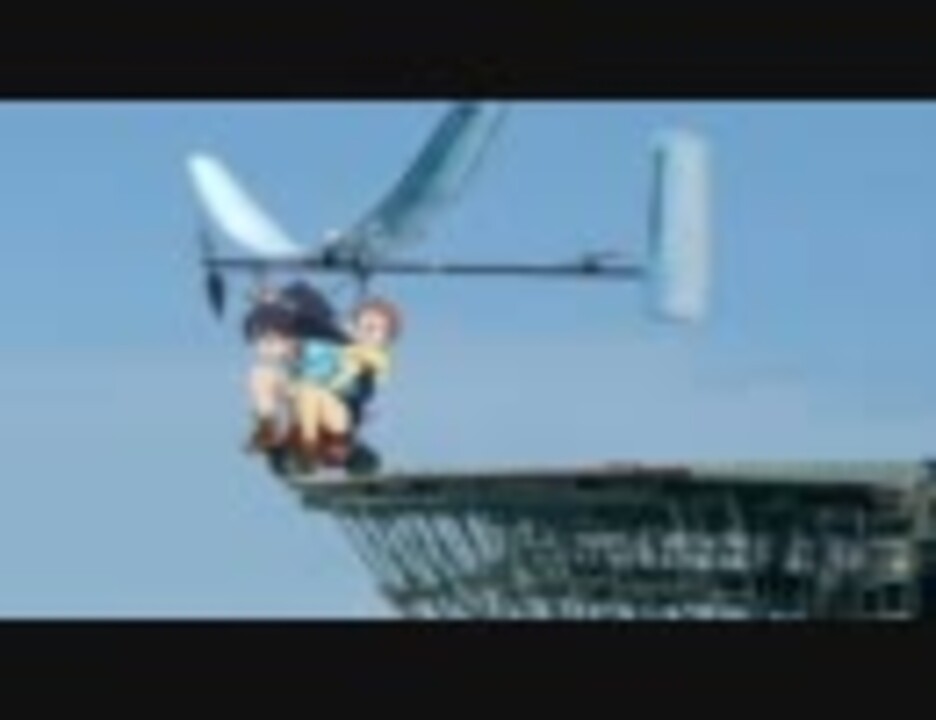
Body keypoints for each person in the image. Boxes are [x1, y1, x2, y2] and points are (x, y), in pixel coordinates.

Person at [289, 296, 402, 471]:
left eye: (374, 330)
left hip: (345, 406)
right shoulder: (340, 348)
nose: (367, 333)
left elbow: (345, 345)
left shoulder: (374, 355)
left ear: (387, 339)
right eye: (363, 327)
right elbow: (318, 334)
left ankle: (325, 450)